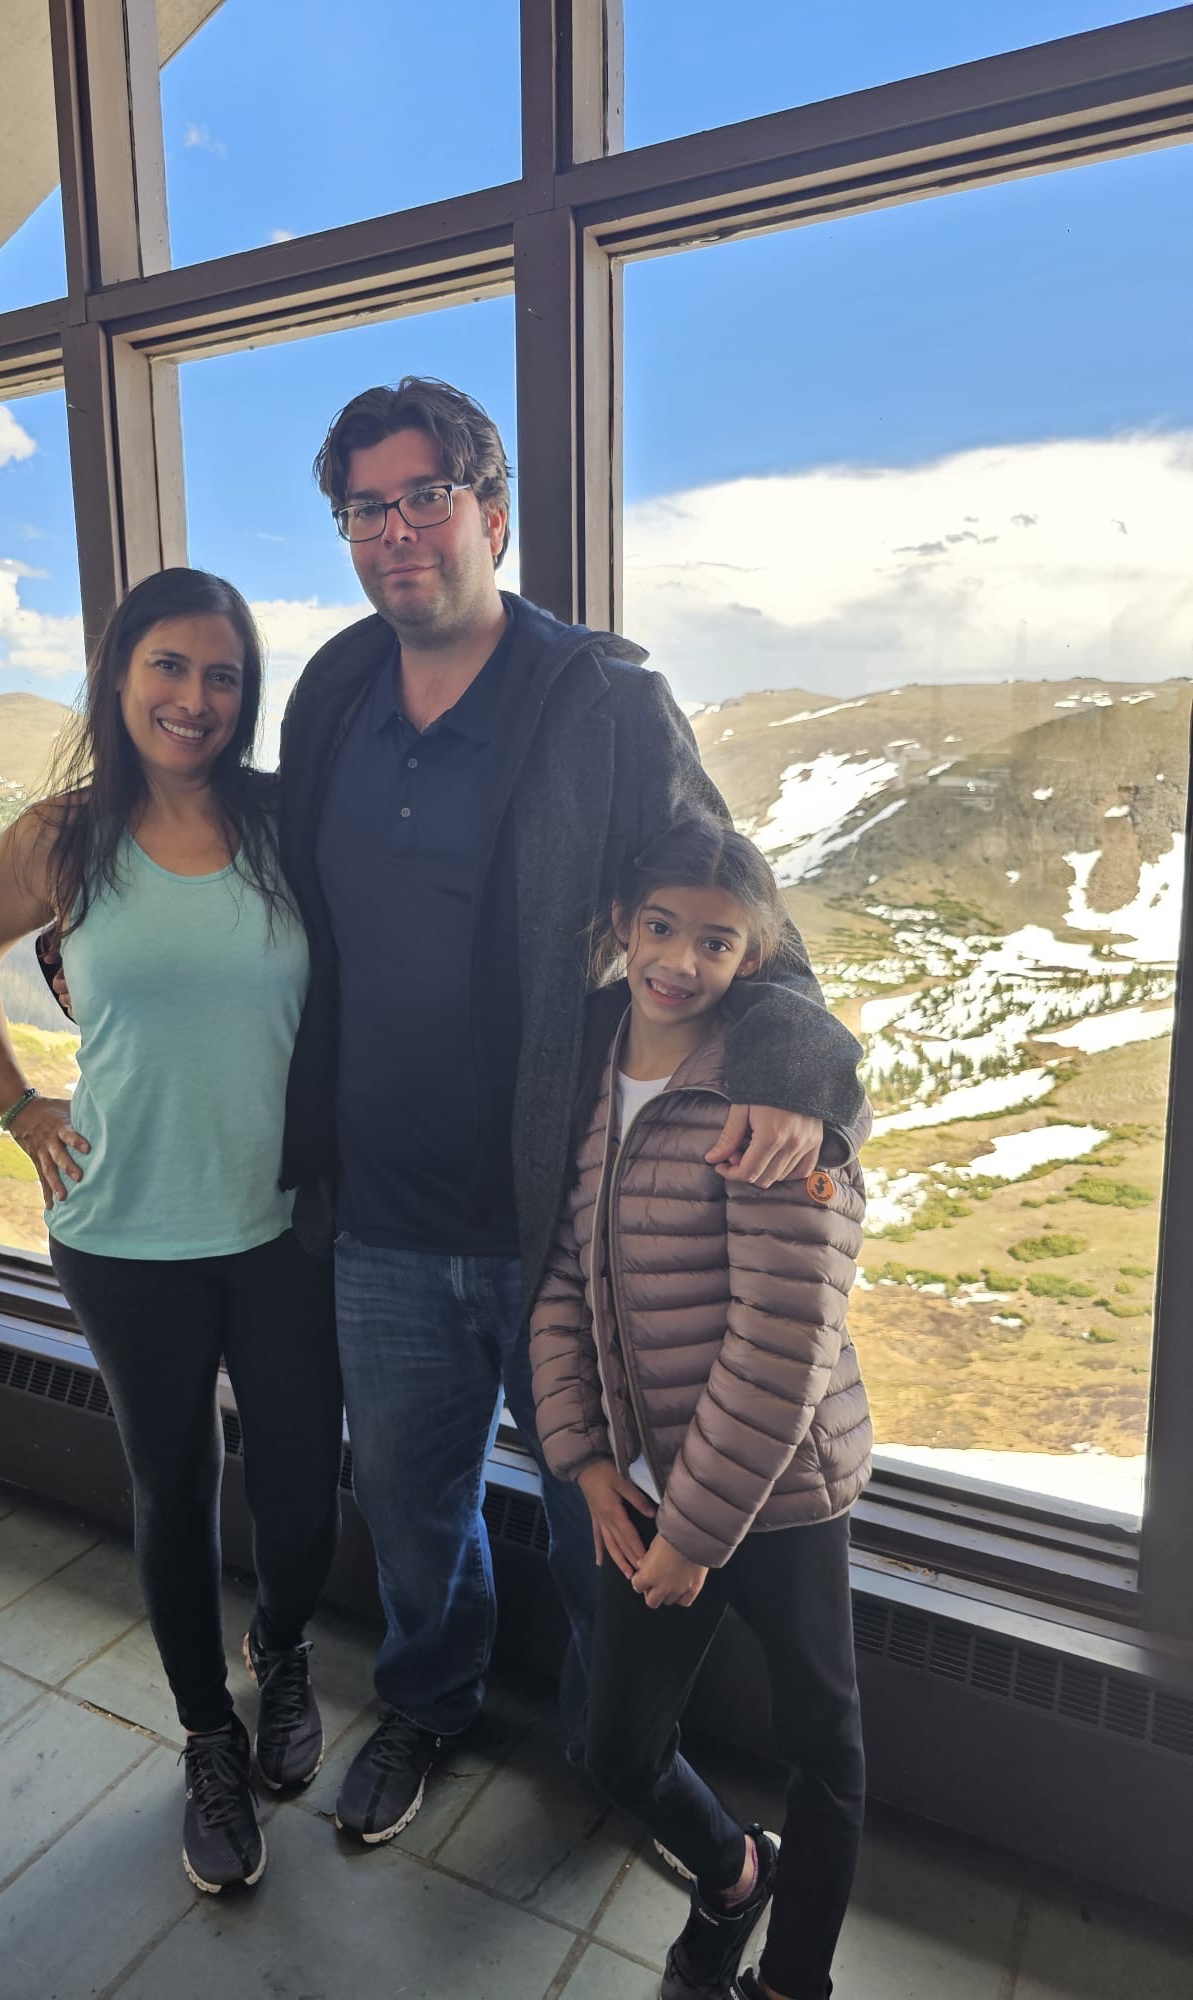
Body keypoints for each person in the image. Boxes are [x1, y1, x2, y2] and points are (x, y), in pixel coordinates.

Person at [271, 377, 868, 1846]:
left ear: (492, 513)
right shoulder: (335, 689)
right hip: (380, 1210)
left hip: (561, 1218)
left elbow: (733, 901)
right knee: (408, 1505)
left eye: (426, 497)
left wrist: (799, 1068)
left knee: (609, 1521)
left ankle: (620, 1750)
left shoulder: (602, 699)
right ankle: (429, 1701)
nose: (397, 531)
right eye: (365, 507)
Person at [0, 568, 342, 1897]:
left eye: (224, 675)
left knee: (300, 1479)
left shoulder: (282, 823)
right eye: (170, 665)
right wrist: (18, 1105)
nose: (196, 698)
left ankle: (283, 1651)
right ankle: (208, 1737)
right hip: (123, 1230)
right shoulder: (61, 839)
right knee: (174, 1485)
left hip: (282, 1223)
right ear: (119, 675)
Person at [530, 815, 872, 2000]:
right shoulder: (586, 1068)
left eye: (715, 941)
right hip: (643, 1481)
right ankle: (734, 1873)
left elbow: (783, 1338)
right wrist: (583, 1457)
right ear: (622, 924)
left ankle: (791, 1983)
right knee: (617, 1745)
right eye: (661, 927)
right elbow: (560, 1275)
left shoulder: (774, 1093)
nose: (679, 960)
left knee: (824, 1743)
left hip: (784, 1491)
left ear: (755, 951)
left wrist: (692, 1532)